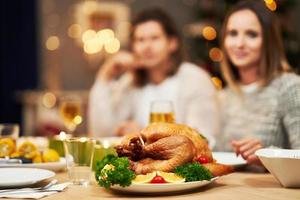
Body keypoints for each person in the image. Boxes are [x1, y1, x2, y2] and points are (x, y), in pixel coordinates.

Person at [88, 7, 218, 147]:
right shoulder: (131, 82)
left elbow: (203, 138)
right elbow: (100, 132)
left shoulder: (195, 78)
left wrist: (143, 134)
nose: (147, 46)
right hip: (141, 167)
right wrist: (105, 75)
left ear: (172, 43)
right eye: (140, 40)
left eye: (154, 38)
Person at [215, 0, 300, 164]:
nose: (239, 44)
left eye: (251, 34)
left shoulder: (290, 87)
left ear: (269, 42)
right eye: (232, 33)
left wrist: (267, 155)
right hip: (232, 188)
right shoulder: (225, 95)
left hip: (272, 189)